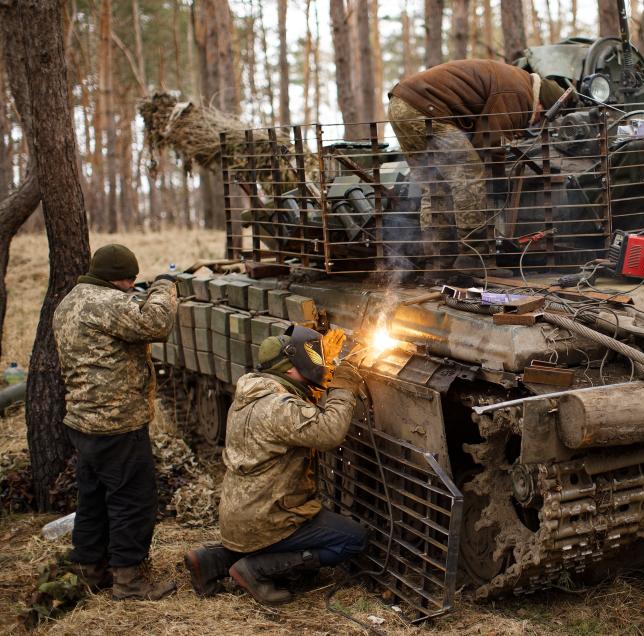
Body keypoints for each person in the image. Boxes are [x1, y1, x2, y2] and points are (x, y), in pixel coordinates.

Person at [183, 326, 367, 605]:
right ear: (290, 368)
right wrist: (344, 383)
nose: (319, 364)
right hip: (269, 517)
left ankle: (212, 560)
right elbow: (330, 431)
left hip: (238, 516)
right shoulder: (279, 405)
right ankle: (256, 570)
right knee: (353, 538)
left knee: (269, 538)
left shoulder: (250, 395)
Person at [53, 243, 179, 601]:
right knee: (133, 501)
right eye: (130, 282)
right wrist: (164, 286)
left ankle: (89, 570)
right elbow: (157, 323)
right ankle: (129, 580)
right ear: (120, 279)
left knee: (93, 500)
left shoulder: (70, 302)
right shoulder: (106, 302)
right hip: (116, 423)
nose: (131, 288)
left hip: (83, 422)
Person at [387, 59, 566, 271]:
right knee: (470, 176)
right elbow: (490, 144)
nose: (536, 123)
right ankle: (474, 259)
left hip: (401, 106)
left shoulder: (515, 80)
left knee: (436, 188)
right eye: (540, 118)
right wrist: (497, 183)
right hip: (426, 110)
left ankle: (439, 264)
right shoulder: (518, 93)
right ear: (541, 103)